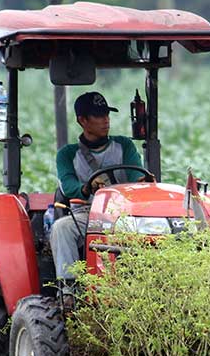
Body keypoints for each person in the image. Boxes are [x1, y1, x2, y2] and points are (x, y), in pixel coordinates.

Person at [51, 91, 146, 283]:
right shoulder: (68, 154)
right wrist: (87, 187)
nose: (106, 120)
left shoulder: (124, 146)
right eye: (99, 116)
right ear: (82, 120)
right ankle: (69, 290)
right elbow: (68, 185)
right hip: (86, 213)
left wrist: (141, 183)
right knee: (61, 228)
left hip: (124, 214)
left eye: (107, 115)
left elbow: (138, 177)